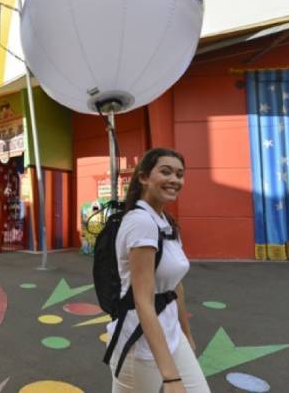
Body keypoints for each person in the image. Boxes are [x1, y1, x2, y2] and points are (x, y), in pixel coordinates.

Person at [107, 148, 208, 393]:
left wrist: (186, 333)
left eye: (180, 174)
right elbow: (143, 300)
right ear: (143, 177)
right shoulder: (141, 222)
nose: (175, 179)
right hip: (139, 343)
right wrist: (171, 378)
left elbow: (175, 285)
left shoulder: (166, 223)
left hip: (172, 334)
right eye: (166, 172)